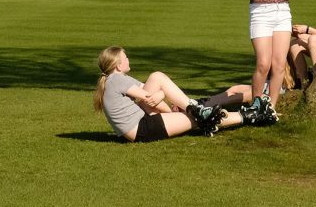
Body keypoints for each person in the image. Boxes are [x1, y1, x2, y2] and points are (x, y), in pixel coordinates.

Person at [94, 46, 277, 142]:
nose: (128, 59)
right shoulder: (116, 80)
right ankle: (252, 115)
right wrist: (159, 98)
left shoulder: (117, 80)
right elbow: (149, 97)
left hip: (142, 123)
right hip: (142, 129)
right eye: (126, 57)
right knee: (201, 119)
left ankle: (193, 108)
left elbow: (152, 91)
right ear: (118, 65)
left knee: (157, 76)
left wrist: (165, 104)